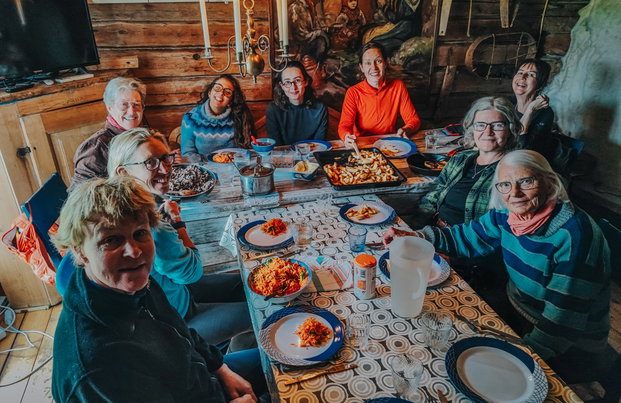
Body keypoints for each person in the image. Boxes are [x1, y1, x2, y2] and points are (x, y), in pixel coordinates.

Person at [384, 150, 611, 381]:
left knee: (476, 373)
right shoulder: (509, 214)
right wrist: (417, 237)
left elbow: (561, 324)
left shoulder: (576, 237)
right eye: (505, 185)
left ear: (550, 182)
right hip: (517, 309)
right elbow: (466, 238)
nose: (515, 193)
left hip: (570, 346)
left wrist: (520, 358)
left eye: (526, 181)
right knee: (441, 335)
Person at [51, 176, 264, 402]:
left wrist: (220, 368)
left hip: (201, 375)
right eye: (112, 240)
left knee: (283, 361)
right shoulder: (97, 367)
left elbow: (178, 328)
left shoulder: (127, 283)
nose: (134, 252)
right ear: (80, 252)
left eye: (140, 233)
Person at [417, 96, 521, 227]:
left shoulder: (513, 171)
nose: (488, 132)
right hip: (435, 229)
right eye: (480, 125)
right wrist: (419, 226)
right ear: (472, 129)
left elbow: (501, 224)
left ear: (511, 129)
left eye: (498, 125)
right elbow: (434, 194)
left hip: (468, 238)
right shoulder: (460, 158)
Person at [68, 77, 146, 192]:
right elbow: (79, 195)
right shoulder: (95, 148)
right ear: (110, 107)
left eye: (136, 104)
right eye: (124, 105)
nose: (131, 111)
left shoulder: (139, 135)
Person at [338, 41, 421, 147]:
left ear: (385, 64)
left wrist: (406, 130)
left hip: (389, 144)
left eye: (378, 61)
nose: (374, 67)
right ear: (362, 68)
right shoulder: (353, 92)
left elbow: (414, 120)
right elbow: (344, 126)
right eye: (368, 63)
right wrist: (346, 136)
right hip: (363, 145)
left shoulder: (398, 86)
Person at [181, 74, 255, 161]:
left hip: (233, 166)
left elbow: (246, 151)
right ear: (209, 92)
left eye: (227, 92)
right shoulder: (190, 119)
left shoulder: (239, 117)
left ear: (230, 101)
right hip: (203, 167)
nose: (221, 93)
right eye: (217, 88)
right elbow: (187, 155)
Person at [266, 60, 327, 145]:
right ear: (282, 86)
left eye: (297, 80)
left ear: (306, 82)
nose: (293, 87)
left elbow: (319, 145)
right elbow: (276, 147)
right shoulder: (273, 110)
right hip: (283, 153)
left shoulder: (320, 109)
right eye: (287, 82)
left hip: (312, 152)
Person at [511, 58, 555, 160]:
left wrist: (530, 110)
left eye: (531, 75)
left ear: (540, 84)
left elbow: (520, 148)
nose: (522, 77)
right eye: (520, 72)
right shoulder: (507, 104)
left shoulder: (545, 113)